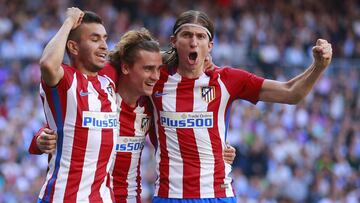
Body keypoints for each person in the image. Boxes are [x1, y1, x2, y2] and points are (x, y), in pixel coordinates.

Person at [30, 28, 236, 202]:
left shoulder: (149, 105)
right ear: (126, 68)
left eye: (157, 70)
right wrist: (40, 138)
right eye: (148, 69)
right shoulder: (101, 92)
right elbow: (65, 121)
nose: (156, 76)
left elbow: (175, 139)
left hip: (131, 197)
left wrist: (220, 151)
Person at [150, 10, 332, 203]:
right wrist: (159, 56)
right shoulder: (154, 78)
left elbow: (290, 93)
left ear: (210, 46)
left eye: (201, 36)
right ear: (173, 41)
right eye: (186, 35)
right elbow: (127, 59)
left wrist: (318, 66)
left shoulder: (228, 79)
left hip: (217, 195)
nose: (193, 42)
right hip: (169, 195)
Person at [36, 7, 117, 203]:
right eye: (95, 39)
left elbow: (144, 62)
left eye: (105, 38)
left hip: (103, 198)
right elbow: (47, 63)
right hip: (63, 198)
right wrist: (69, 22)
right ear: (73, 47)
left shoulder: (109, 82)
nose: (104, 46)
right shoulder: (66, 80)